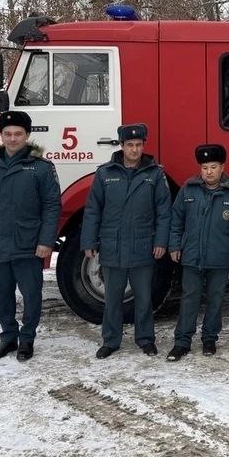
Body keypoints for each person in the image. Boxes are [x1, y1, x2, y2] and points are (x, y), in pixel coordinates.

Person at [0, 110, 61, 362]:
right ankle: (8, 337)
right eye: (7, 134)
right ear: (1, 135)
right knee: (0, 294)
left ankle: (26, 339)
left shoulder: (41, 168)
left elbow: (52, 206)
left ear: (27, 135)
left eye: (18, 134)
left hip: (27, 244)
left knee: (31, 294)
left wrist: (46, 241)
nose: (12, 138)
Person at [82, 123, 171, 359]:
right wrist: (89, 241)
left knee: (144, 298)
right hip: (113, 246)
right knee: (112, 298)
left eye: (138, 145)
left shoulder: (155, 173)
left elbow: (164, 211)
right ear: (121, 146)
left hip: (143, 246)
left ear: (144, 145)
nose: (134, 149)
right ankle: (110, 341)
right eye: (130, 145)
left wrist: (161, 241)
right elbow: (93, 210)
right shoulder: (105, 173)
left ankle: (145, 339)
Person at [166, 144, 229, 360]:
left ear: (222, 167)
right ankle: (182, 342)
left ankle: (209, 339)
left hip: (219, 257)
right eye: (205, 167)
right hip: (191, 256)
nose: (209, 171)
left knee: (215, 299)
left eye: (214, 167)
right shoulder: (188, 190)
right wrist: (174, 245)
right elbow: (176, 220)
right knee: (189, 299)